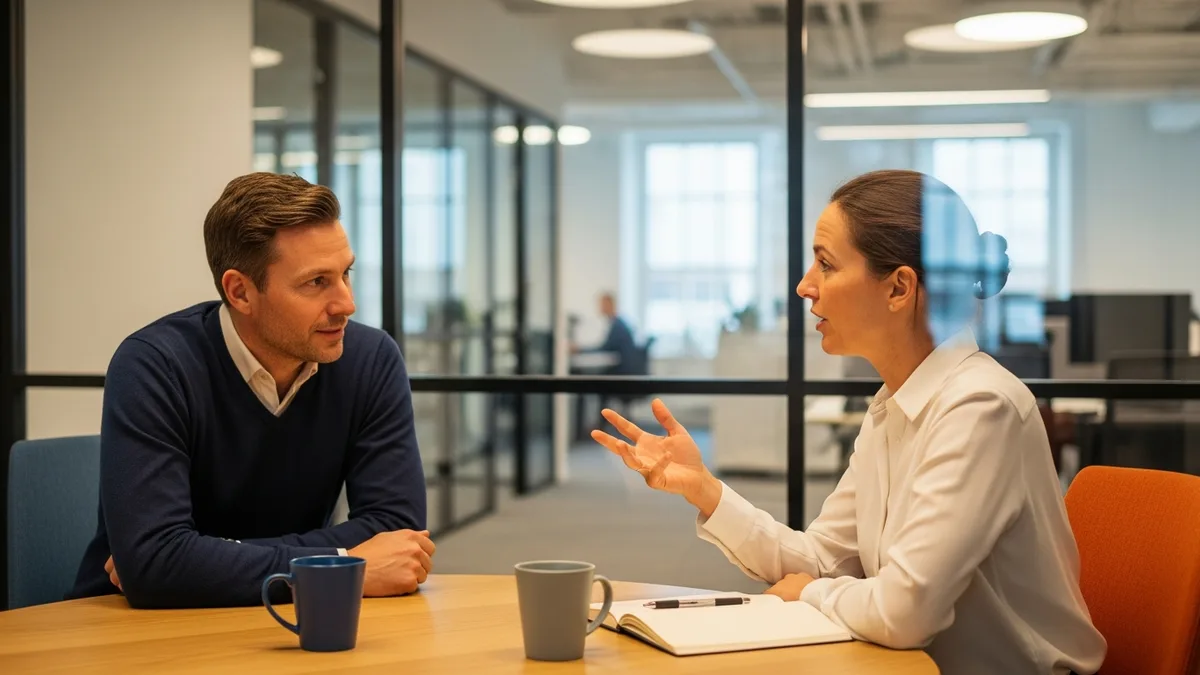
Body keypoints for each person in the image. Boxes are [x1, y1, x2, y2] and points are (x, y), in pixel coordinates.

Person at [591, 170, 1106, 674]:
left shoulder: (980, 408)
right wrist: (705, 490)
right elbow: (818, 558)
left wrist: (812, 594)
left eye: (826, 265)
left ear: (899, 288)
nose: (804, 286)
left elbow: (905, 612)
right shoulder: (893, 404)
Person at [68, 173, 433, 609]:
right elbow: (153, 566)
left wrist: (200, 558)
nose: (346, 304)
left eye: (345, 274)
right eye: (316, 282)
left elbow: (397, 532)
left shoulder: (369, 359)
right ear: (240, 292)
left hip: (294, 617)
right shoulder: (154, 365)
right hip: (130, 629)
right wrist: (342, 560)